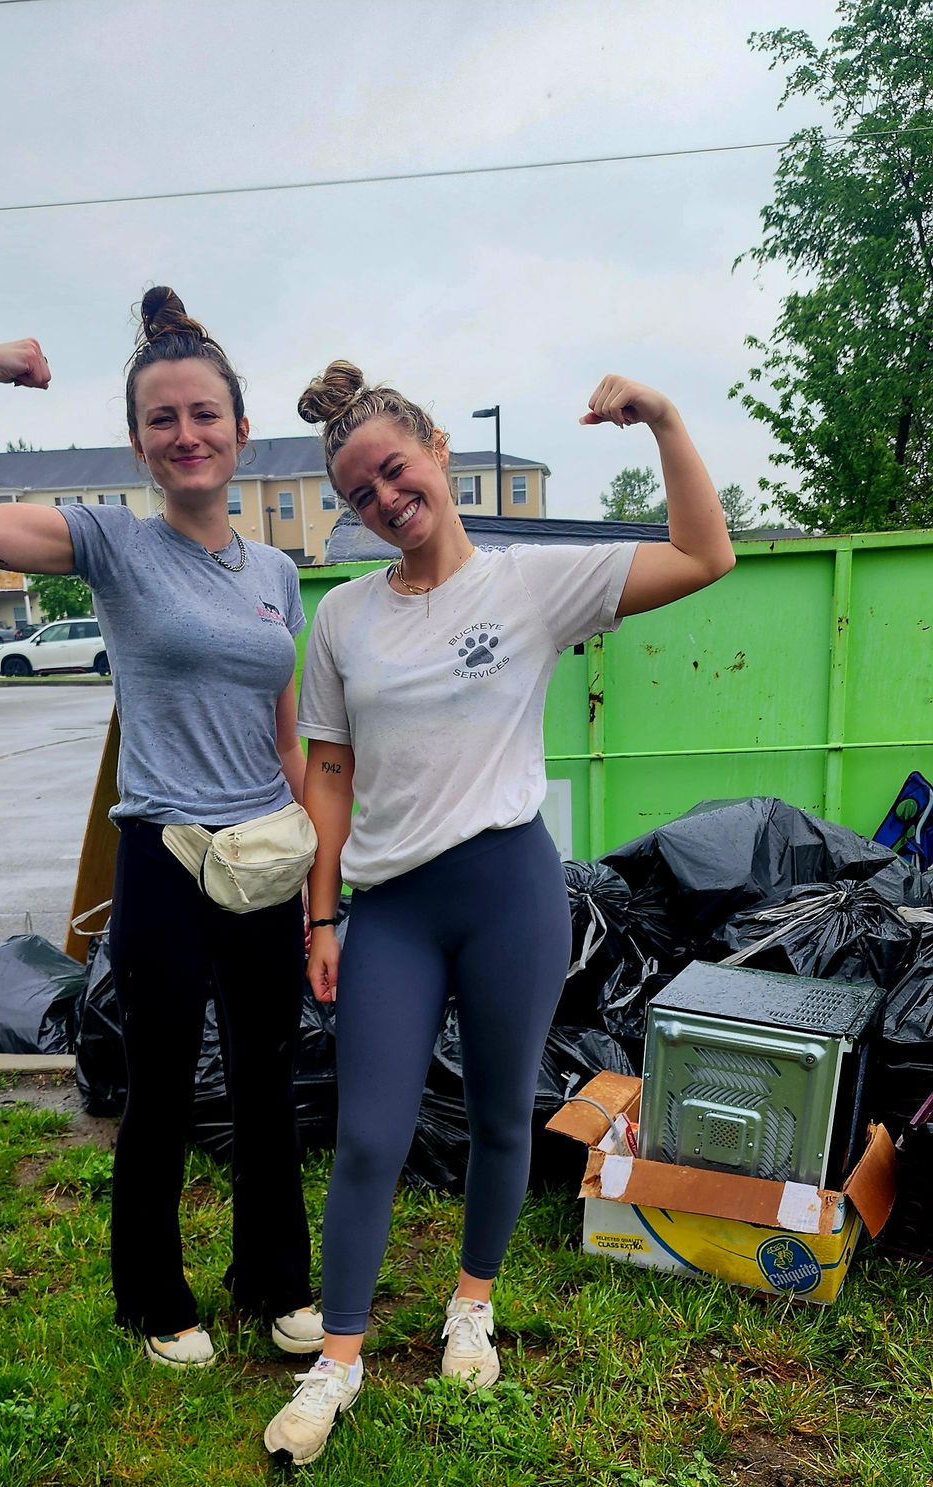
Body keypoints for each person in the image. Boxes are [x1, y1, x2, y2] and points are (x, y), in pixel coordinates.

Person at [263, 364, 735, 1465]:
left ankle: (470, 1302)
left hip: (508, 889)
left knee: (497, 1113)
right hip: (392, 904)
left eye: (394, 468)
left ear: (434, 446)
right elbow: (327, 773)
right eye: (360, 492)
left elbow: (706, 553)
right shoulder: (343, 617)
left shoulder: (532, 586)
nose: (384, 498)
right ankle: (338, 1356)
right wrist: (319, 917)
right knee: (370, 1130)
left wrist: (662, 418)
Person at [0, 289, 324, 1369]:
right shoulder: (111, 544)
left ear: (237, 428)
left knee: (269, 1078)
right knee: (161, 1085)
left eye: (203, 414)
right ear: (140, 443)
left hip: (264, 860)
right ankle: (154, 1298)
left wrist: (319, 873)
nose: (185, 435)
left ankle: (277, 1279)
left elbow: (284, 738)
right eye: (162, 420)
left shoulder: (276, 572)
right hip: (165, 861)